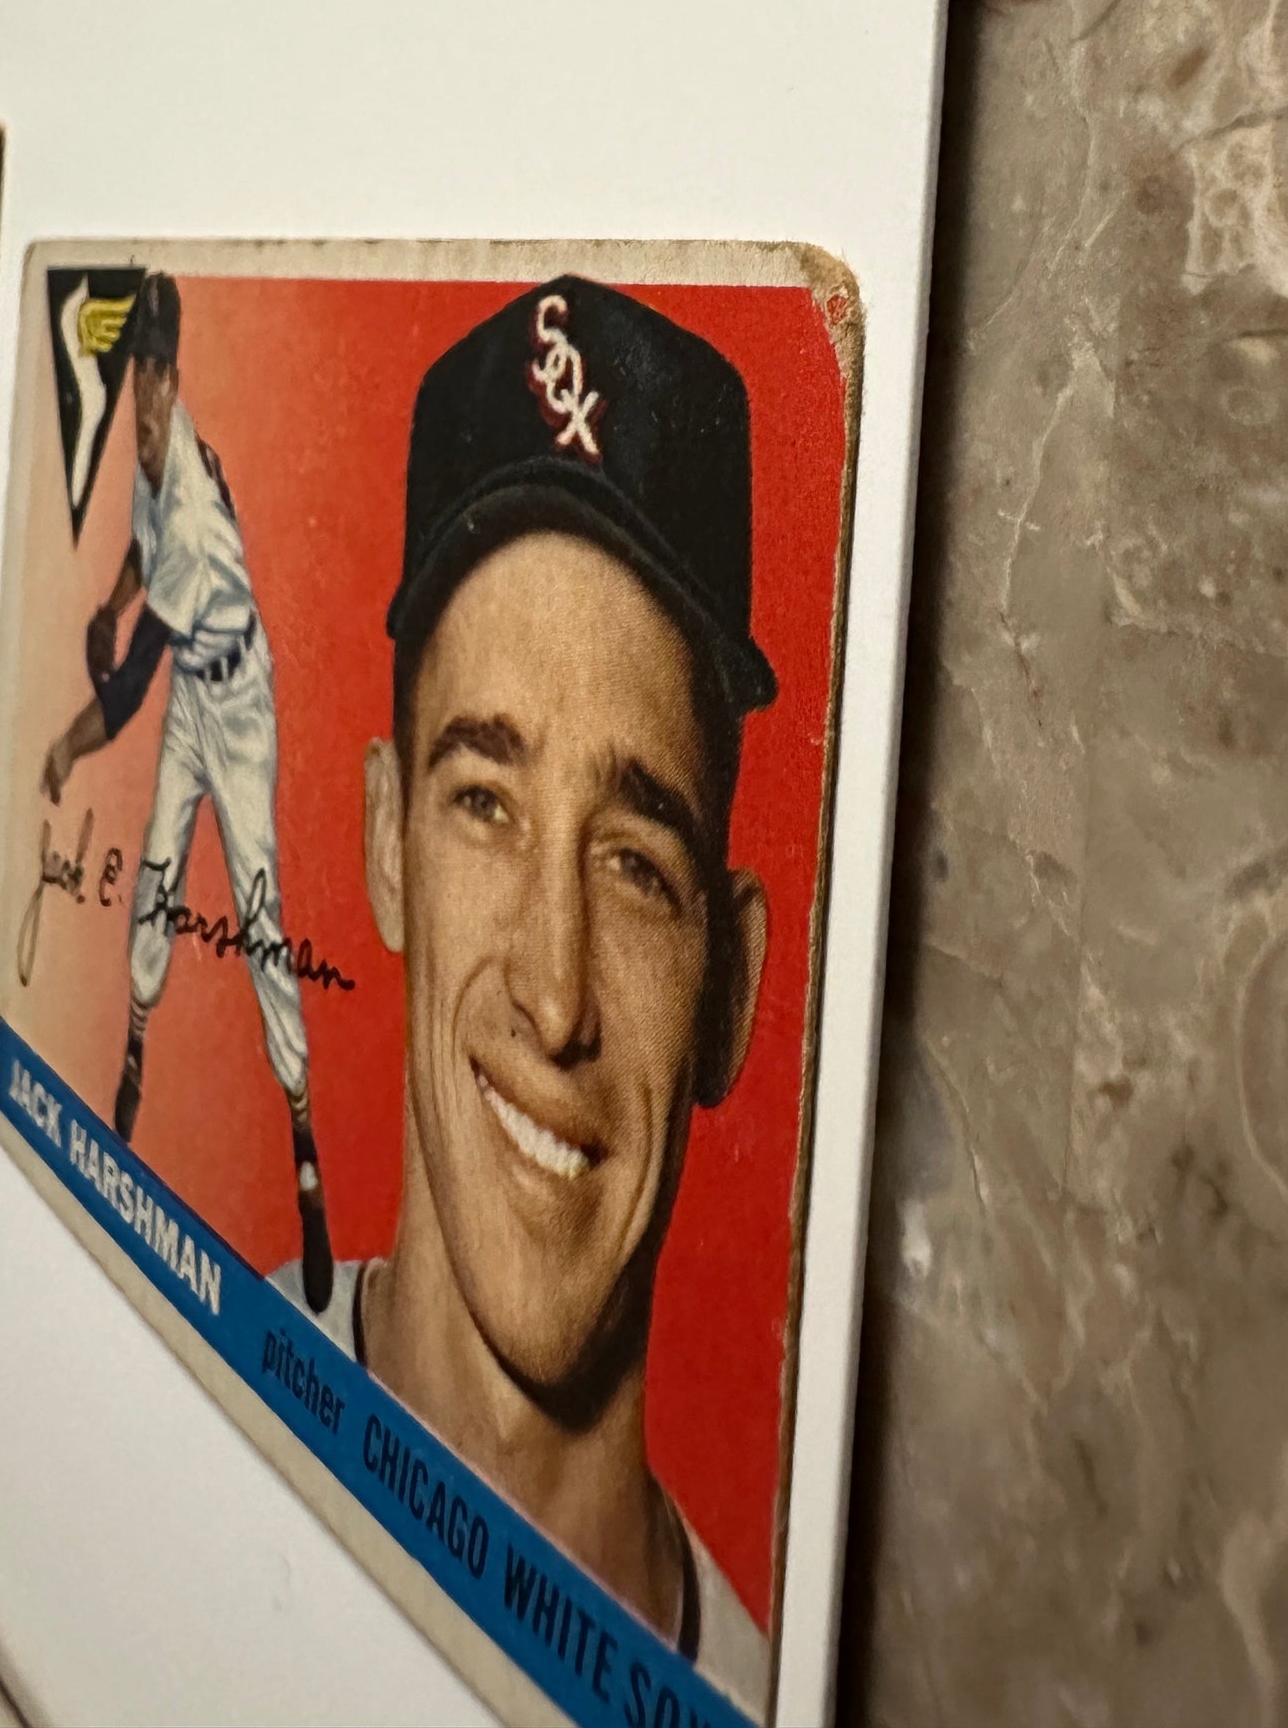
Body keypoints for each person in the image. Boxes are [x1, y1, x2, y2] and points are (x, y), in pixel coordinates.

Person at [272, 278, 776, 1717]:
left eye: (635, 863)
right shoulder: (175, 1372)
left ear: (730, 986)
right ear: (387, 843)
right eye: (485, 803)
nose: (555, 999)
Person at [41, 270, 333, 1312]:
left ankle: (302, 1140)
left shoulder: (199, 519)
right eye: (139, 368)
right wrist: (109, 603)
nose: (148, 388)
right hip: (191, 699)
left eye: (159, 370)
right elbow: (137, 545)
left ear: (175, 373)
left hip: (238, 708)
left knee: (259, 917)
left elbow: (125, 697)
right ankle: (135, 1042)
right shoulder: (154, 446)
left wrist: (63, 748)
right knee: (155, 875)